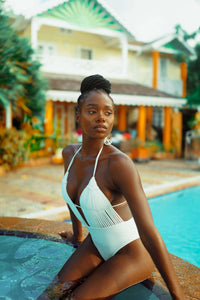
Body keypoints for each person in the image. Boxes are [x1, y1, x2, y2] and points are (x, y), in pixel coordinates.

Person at [38, 74, 185, 300]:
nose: (101, 118)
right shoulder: (69, 153)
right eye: (92, 111)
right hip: (95, 243)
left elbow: (148, 231)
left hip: (132, 253)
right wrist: (77, 236)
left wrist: (178, 295)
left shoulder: (119, 164)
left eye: (108, 112)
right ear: (78, 115)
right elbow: (74, 201)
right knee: (49, 295)